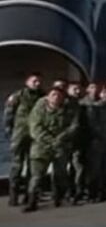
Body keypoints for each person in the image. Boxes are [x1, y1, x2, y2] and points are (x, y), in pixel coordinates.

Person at [23, 87, 75, 213]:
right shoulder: (39, 110)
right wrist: (51, 141)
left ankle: (59, 198)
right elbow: (35, 128)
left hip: (60, 147)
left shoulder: (67, 111)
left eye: (58, 95)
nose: (56, 97)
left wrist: (61, 138)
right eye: (53, 94)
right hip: (41, 147)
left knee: (60, 174)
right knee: (37, 176)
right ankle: (32, 201)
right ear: (48, 97)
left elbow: (73, 127)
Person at [5, 72, 44, 207]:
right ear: (27, 82)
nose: (37, 83)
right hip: (20, 134)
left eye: (39, 81)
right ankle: (13, 195)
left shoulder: (43, 97)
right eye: (34, 81)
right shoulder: (18, 96)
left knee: (32, 167)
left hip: (35, 136)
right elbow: (9, 115)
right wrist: (10, 132)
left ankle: (29, 194)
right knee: (17, 165)